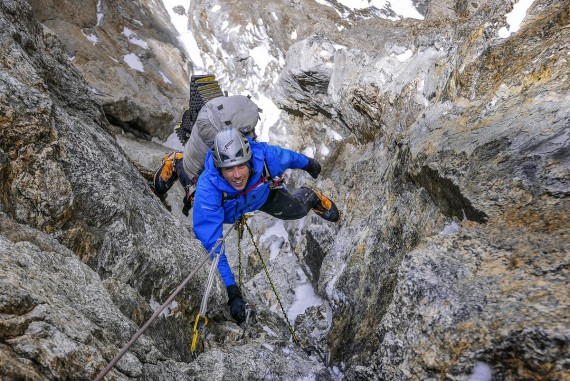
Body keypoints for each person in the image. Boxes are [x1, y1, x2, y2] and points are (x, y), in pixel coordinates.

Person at [193, 128, 341, 324]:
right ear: (219, 168)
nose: (236, 175)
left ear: (248, 160)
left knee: (297, 210)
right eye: (228, 169)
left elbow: (288, 157)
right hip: (232, 208)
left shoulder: (264, 158)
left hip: (262, 196)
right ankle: (178, 161)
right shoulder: (207, 190)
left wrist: (309, 164)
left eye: (240, 166)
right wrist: (232, 291)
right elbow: (213, 246)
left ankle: (311, 196)